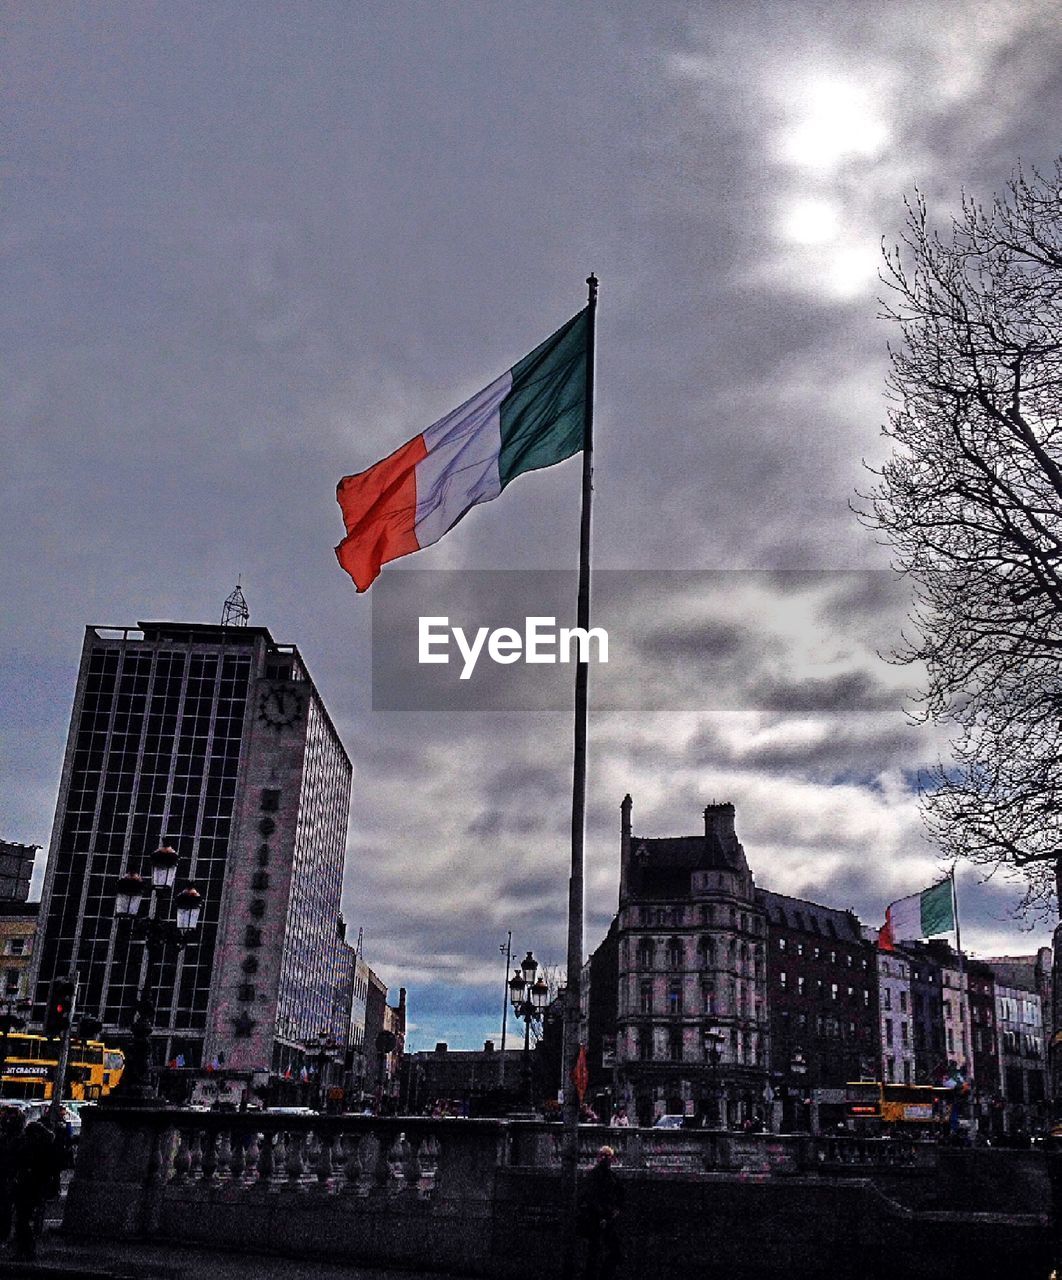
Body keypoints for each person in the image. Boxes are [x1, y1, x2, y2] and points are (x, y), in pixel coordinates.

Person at [11, 1118, 60, 1261]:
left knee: (22, 1219)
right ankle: (26, 1249)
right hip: (36, 1187)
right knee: (25, 1219)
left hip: (29, 1186)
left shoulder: (34, 1148)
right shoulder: (46, 1147)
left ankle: (25, 1250)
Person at [578, 1145, 624, 1280]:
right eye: (604, 1156)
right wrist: (608, 1213)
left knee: (597, 1252)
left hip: (600, 1218)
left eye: (607, 1156)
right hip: (599, 1218)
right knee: (603, 1251)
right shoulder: (604, 1176)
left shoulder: (597, 1175)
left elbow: (590, 1197)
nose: (605, 1159)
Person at [0, 1107, 26, 1247]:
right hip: (8, 1175)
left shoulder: (18, 1140)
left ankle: (5, 1236)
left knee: (6, 1208)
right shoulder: (9, 1137)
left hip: (10, 1176)